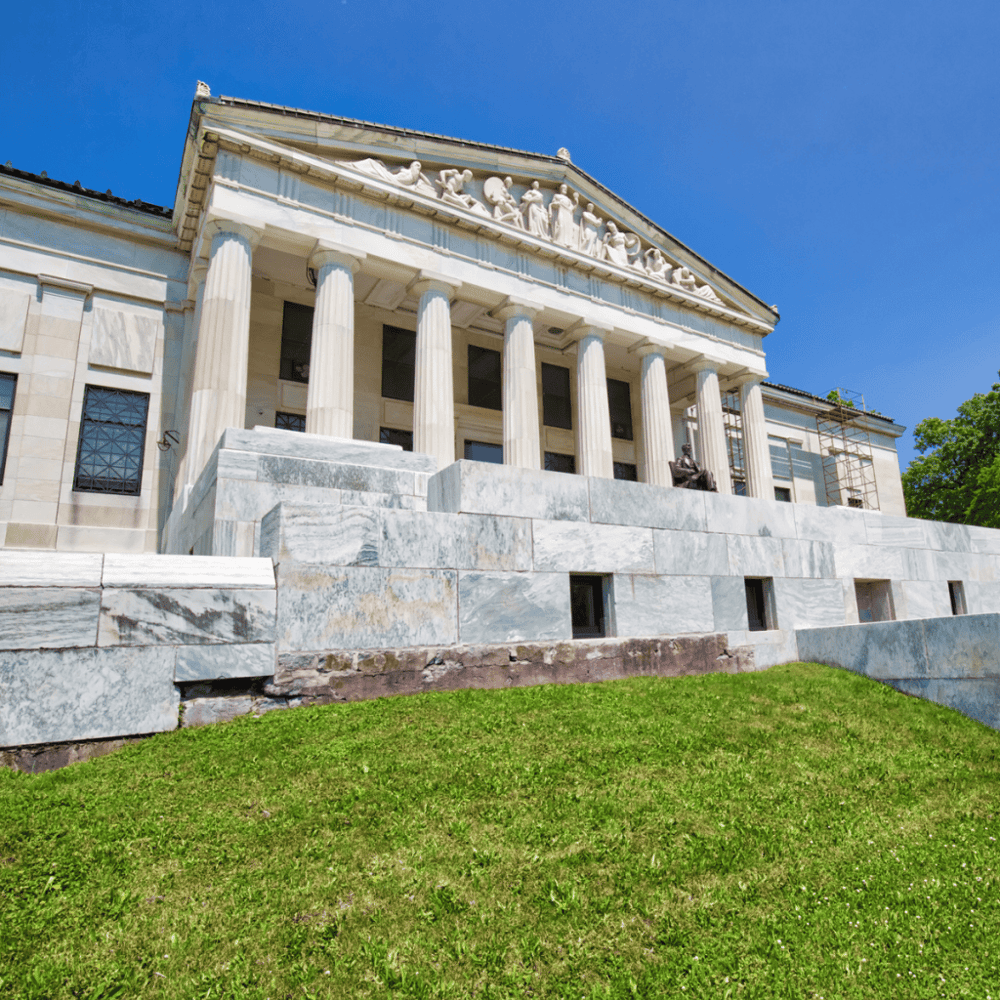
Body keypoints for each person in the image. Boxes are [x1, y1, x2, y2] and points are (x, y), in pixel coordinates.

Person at [549, 183, 578, 247]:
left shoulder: (568, 199)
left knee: (568, 228)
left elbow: (572, 209)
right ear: (560, 189)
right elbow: (553, 203)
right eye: (563, 188)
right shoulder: (556, 196)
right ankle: (557, 240)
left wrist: (576, 202)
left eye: (565, 188)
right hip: (560, 212)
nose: (564, 189)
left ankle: (566, 242)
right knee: (560, 226)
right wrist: (559, 203)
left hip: (567, 214)